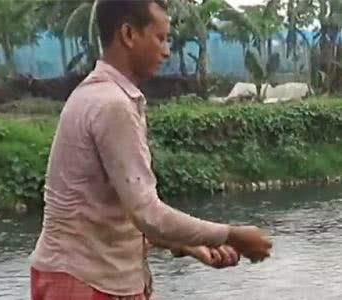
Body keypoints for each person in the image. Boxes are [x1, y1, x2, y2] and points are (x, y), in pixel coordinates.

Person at [30, 1, 272, 299]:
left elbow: (109, 212)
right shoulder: (112, 105)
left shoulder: (98, 94)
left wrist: (186, 245)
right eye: (160, 38)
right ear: (129, 34)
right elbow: (147, 212)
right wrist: (233, 235)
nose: (167, 50)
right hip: (87, 282)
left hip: (79, 276)